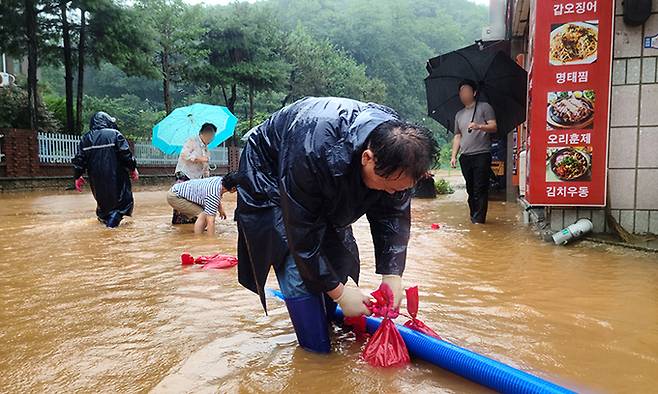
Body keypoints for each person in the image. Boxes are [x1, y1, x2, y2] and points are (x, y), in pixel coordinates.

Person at [236, 97, 438, 353]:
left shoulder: (399, 151)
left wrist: (392, 275)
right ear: (368, 158)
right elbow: (301, 232)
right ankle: (315, 352)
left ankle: (326, 320)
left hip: (328, 164)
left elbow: (394, 216)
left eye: (399, 189)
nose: (392, 194)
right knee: (294, 260)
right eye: (388, 186)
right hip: (271, 172)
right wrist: (341, 294)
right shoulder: (312, 147)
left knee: (337, 251)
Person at [72, 112, 139, 228]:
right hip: (116, 177)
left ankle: (105, 228)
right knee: (122, 204)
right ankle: (110, 230)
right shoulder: (115, 135)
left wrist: (77, 176)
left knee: (103, 206)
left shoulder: (86, 139)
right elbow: (126, 155)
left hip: (96, 179)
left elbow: (79, 159)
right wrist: (133, 168)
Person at [450, 80, 497, 224]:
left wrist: (479, 126)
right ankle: (474, 216)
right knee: (470, 189)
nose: (463, 94)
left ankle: (479, 220)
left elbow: (494, 126)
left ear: (474, 93)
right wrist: (454, 156)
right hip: (465, 156)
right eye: (461, 92)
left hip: (482, 154)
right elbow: (457, 135)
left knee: (480, 188)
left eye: (466, 91)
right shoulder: (459, 114)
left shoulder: (484, 107)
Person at [171, 123, 217, 224]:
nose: (212, 139)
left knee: (194, 201)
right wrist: (199, 159)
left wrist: (207, 180)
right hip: (184, 173)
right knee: (181, 199)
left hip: (196, 178)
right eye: (211, 136)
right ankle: (179, 223)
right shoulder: (192, 141)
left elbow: (205, 169)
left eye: (213, 136)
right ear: (204, 134)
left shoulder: (206, 149)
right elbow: (184, 154)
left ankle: (192, 223)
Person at [166, 172, 238, 234]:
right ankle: (199, 238)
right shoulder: (213, 194)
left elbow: (217, 196)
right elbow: (211, 221)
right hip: (175, 196)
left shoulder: (219, 181)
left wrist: (220, 210)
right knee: (203, 215)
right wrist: (212, 242)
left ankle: (200, 232)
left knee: (205, 214)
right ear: (233, 189)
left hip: (178, 191)